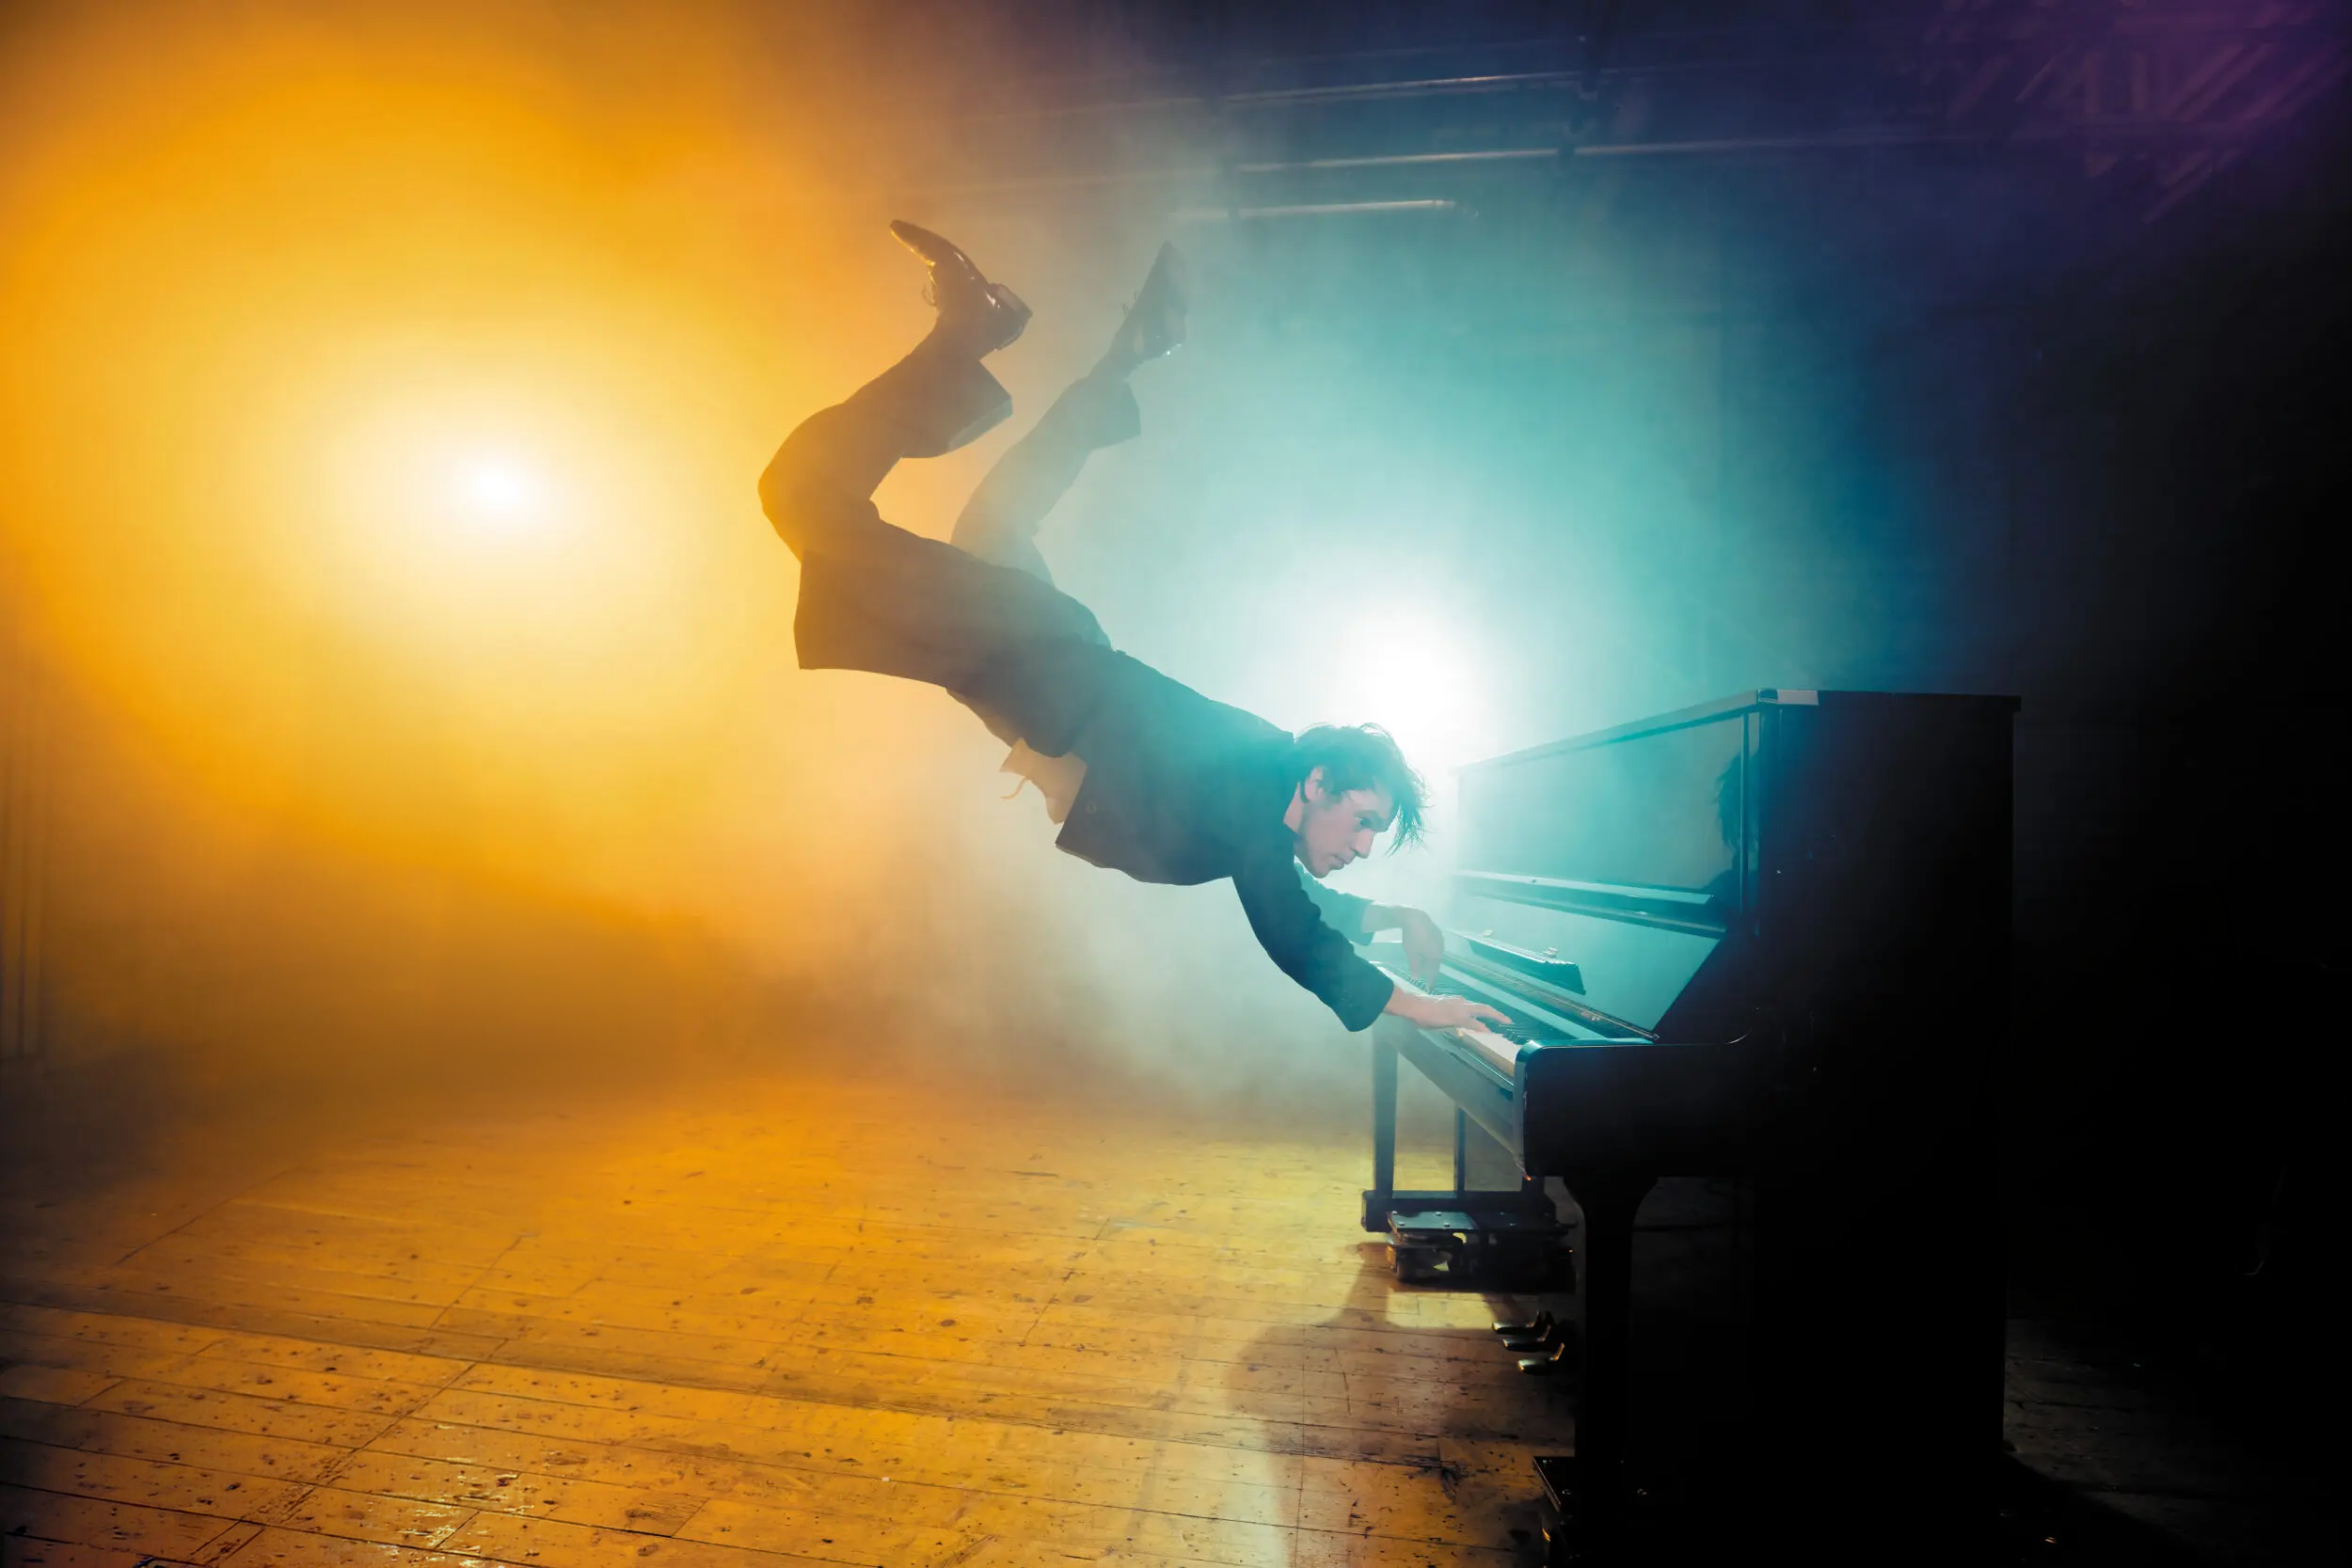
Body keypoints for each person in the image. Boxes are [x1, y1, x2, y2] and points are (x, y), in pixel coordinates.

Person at [757, 221, 1509, 1037]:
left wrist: (1392, 916)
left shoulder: (1262, 799)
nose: (1363, 846)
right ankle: (974, 328)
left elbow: (1294, 893)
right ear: (1320, 782)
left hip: (1041, 647)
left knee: (995, 517)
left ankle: (1113, 350)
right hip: (1019, 647)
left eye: (1373, 835)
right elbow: (1295, 933)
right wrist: (1424, 1006)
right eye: (1364, 819)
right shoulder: (1254, 794)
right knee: (801, 496)